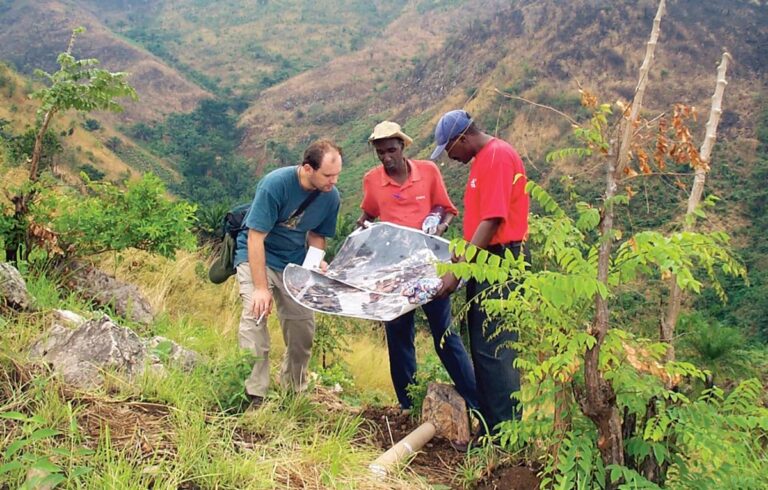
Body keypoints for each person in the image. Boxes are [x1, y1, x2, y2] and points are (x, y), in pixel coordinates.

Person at [357, 120, 479, 413]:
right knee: (398, 339)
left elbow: (448, 210)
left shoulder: (428, 172)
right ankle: (407, 404)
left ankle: (476, 402)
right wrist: (362, 232)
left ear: (402, 147)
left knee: (445, 337)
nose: (386, 158)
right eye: (380, 153)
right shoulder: (372, 181)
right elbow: (366, 216)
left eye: (391, 150)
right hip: (393, 274)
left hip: (430, 269)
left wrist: (439, 226)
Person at [430, 110, 530, 437]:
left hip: (499, 263)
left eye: (449, 149)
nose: (449, 157)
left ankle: (506, 436)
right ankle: (490, 432)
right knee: (483, 350)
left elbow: (492, 221)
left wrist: (457, 273)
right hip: (482, 261)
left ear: (462, 138)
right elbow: (476, 225)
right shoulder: (481, 160)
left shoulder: (498, 156)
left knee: (497, 349)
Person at [234, 139, 343, 408]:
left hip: (292, 264)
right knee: (254, 316)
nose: (334, 181)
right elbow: (255, 237)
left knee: (302, 328)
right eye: (328, 175)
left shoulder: (331, 197)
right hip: (257, 257)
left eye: (337, 174)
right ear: (308, 169)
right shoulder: (275, 185)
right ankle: (254, 394)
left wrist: (313, 267)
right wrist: (261, 288)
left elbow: (318, 236)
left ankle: (293, 390)